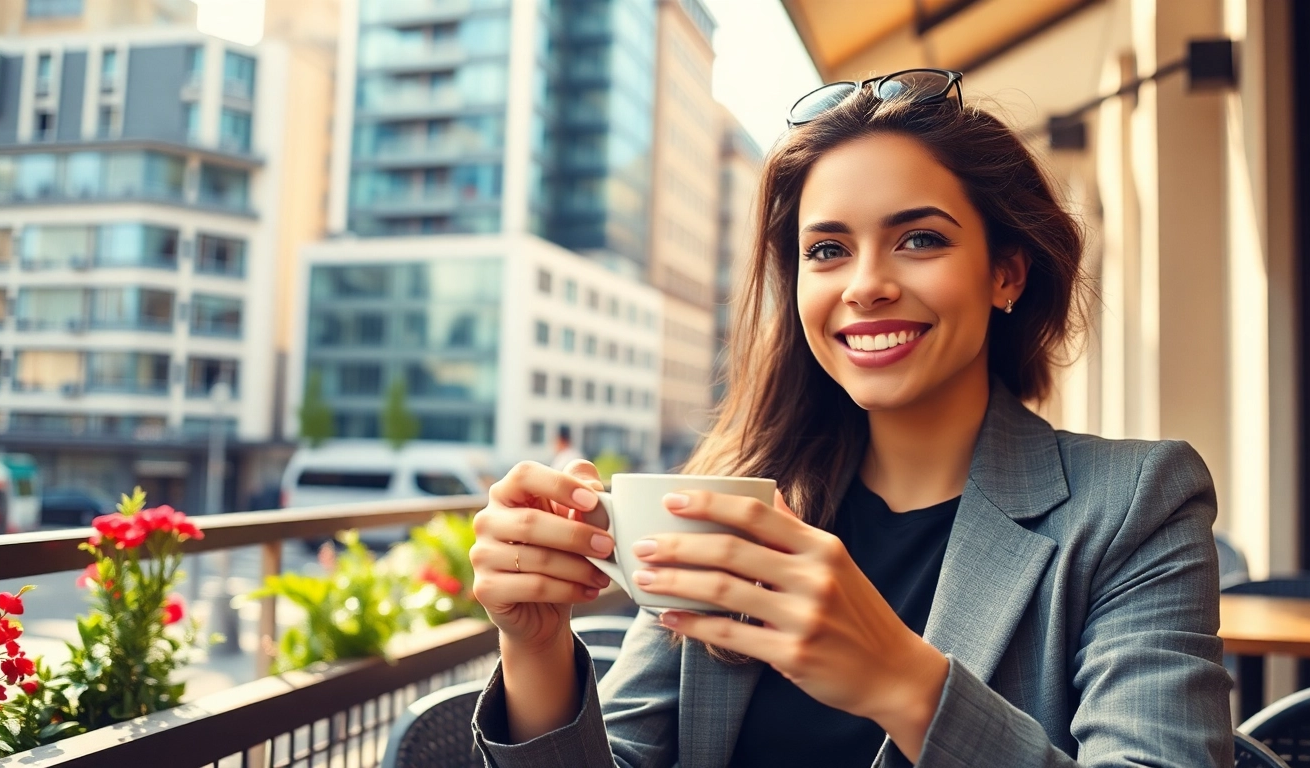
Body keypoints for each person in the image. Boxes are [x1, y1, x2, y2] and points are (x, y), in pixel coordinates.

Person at [466, 70, 1233, 767]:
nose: (866, 285)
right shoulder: (734, 508)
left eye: (919, 239)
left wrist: (900, 681)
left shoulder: (1136, 502)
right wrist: (535, 645)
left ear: (1006, 270)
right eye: (827, 250)